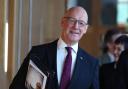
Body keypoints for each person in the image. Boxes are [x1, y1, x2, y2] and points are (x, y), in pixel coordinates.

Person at [9, 6, 99, 89]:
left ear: (85, 29)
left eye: (81, 23)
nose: (76, 26)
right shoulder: (38, 53)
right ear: (62, 22)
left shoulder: (91, 64)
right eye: (72, 20)